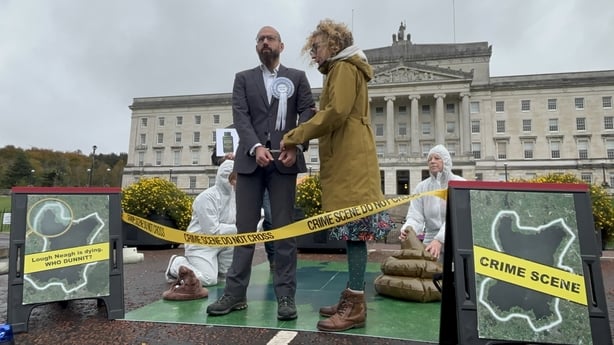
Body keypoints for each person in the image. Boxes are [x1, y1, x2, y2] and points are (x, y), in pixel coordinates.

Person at [281, 19, 394, 332]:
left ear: (333, 45)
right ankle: (351, 296)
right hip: (349, 161)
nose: (313, 55)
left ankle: (355, 306)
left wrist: (296, 134)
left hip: (351, 164)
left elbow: (336, 113)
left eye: (315, 48)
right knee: (352, 234)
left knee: (356, 233)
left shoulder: (343, 68)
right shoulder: (342, 68)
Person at [206, 25, 315, 321]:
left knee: (283, 232)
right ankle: (235, 294)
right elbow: (240, 116)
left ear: (282, 45)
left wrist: (295, 144)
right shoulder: (243, 79)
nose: (265, 43)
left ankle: (285, 296)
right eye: (260, 39)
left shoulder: (297, 78)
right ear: (256, 46)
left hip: (285, 163)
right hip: (250, 163)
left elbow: (307, 112)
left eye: (270, 39)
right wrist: (255, 146)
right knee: (244, 231)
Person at [164, 159, 237, 294]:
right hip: (201, 244)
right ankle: (176, 263)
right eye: (232, 177)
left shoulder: (235, 196)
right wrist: (238, 228)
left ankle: (219, 270)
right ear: (223, 177)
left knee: (227, 277)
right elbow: (212, 231)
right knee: (209, 280)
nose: (235, 182)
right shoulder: (207, 198)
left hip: (225, 242)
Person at [399, 144, 465, 260]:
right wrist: (409, 229)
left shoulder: (460, 184)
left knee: (457, 275)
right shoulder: (422, 187)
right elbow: (415, 215)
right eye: (429, 159)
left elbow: (458, 217)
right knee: (429, 274)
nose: (432, 161)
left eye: (437, 158)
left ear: (446, 160)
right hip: (430, 241)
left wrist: (440, 240)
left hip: (457, 239)